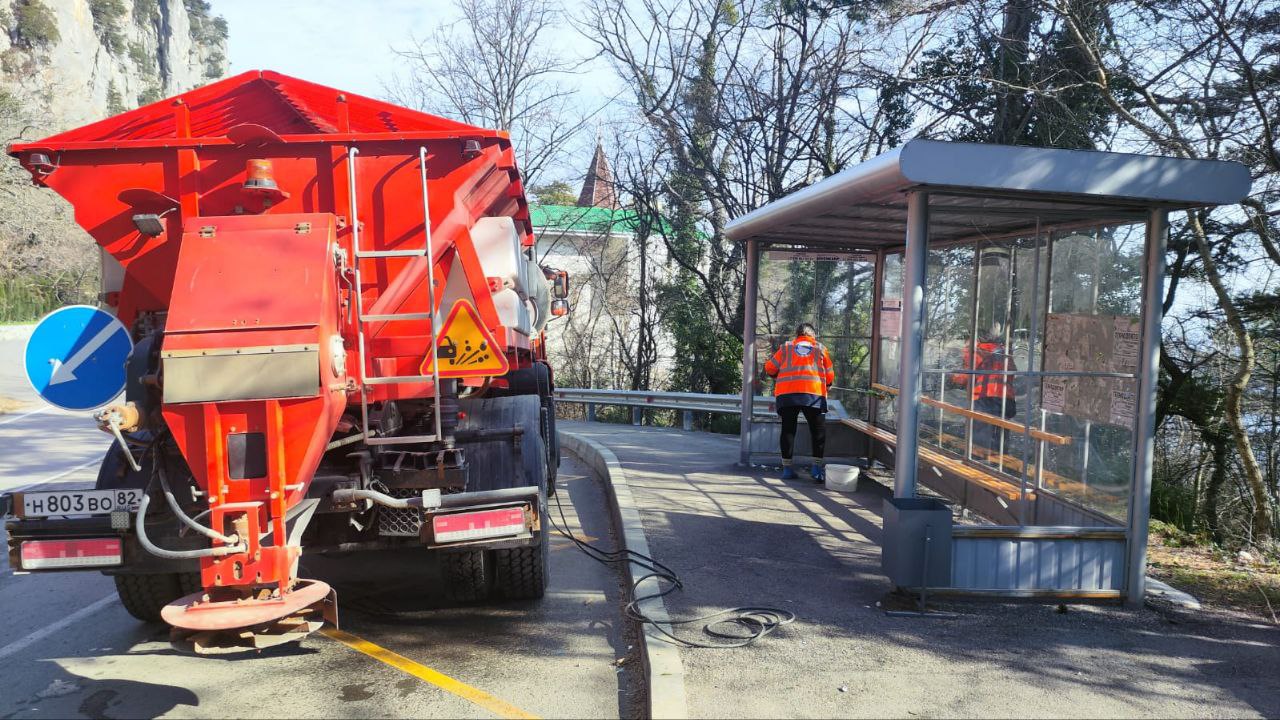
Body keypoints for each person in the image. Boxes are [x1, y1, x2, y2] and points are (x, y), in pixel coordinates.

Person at [764, 322, 835, 482]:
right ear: (813, 335)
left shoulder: (786, 348)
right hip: (813, 395)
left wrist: (778, 376)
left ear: (797, 335)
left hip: (787, 395)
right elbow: (830, 374)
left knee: (788, 430)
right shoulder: (820, 349)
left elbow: (769, 368)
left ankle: (787, 469)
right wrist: (828, 385)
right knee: (818, 432)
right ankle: (816, 469)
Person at [950, 324, 1017, 456]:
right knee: (1000, 437)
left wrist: (951, 377)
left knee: (979, 440)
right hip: (1007, 401)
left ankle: (980, 465)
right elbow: (1012, 372)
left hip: (985, 399)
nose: (965, 342)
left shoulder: (976, 351)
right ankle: (1000, 464)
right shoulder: (1003, 351)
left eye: (966, 338)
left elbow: (965, 376)